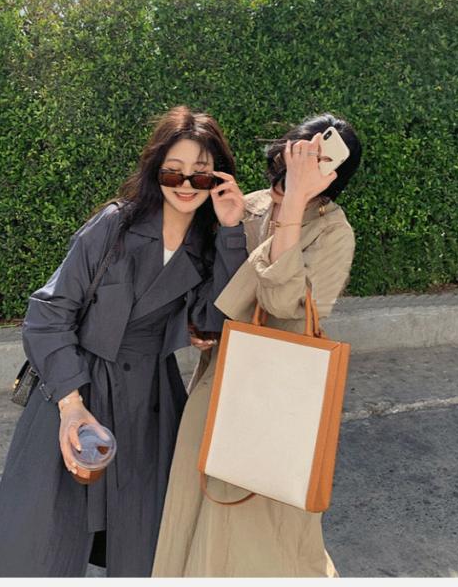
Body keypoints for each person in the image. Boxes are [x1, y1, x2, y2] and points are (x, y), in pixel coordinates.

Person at [0, 106, 248, 577]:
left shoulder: (208, 245)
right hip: (75, 389)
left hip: (150, 404)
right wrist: (71, 405)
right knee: (39, 543)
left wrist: (230, 231)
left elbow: (215, 319)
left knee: (143, 543)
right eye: (174, 171)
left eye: (201, 175)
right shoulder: (115, 225)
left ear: (218, 179)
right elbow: (48, 314)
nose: (186, 185)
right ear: (155, 170)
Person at [152, 112, 362, 577]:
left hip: (279, 391)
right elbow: (210, 278)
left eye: (312, 166)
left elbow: (281, 303)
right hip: (223, 376)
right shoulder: (252, 205)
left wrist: (293, 209)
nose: (291, 175)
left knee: (265, 522)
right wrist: (197, 320)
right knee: (199, 501)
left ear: (331, 179)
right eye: (292, 159)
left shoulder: (334, 233)